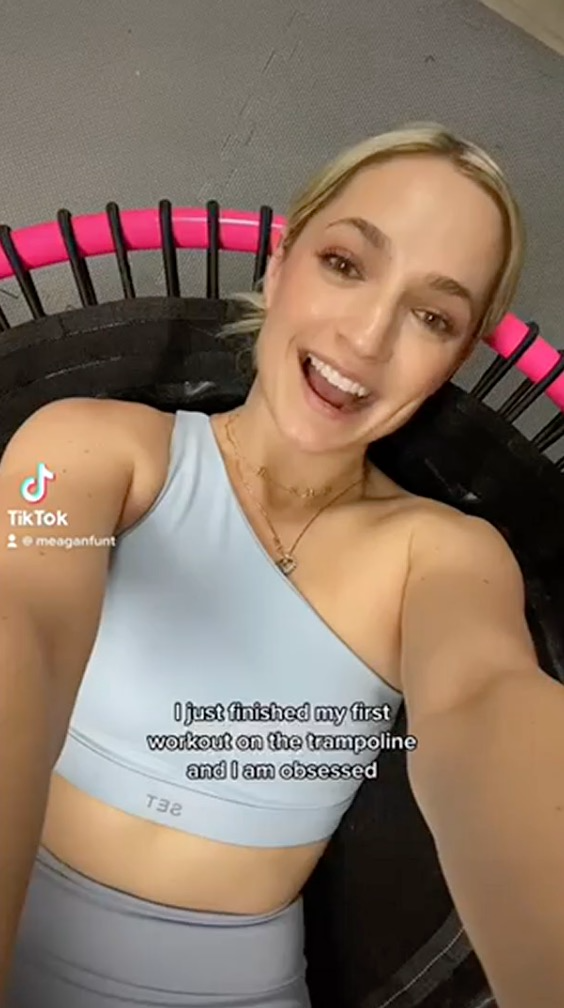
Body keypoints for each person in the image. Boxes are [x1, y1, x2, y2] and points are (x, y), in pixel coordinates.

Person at [1, 121, 563, 1008]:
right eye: (345, 263)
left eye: (432, 316)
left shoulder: (440, 554)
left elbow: (488, 709)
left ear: (457, 360)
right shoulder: (95, 452)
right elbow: (21, 628)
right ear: (281, 262)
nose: (367, 337)